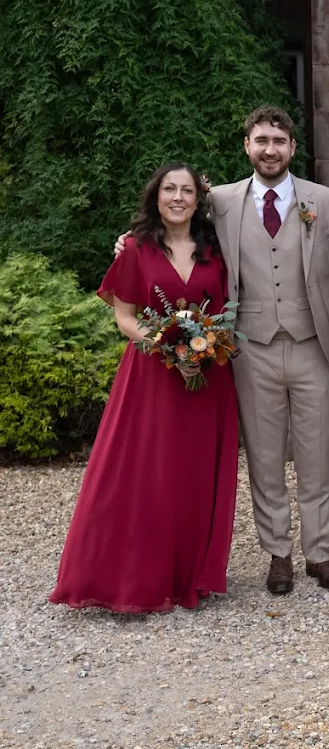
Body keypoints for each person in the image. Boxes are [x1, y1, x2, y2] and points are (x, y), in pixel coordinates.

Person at [114, 107, 329, 596]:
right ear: (247, 145)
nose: (270, 149)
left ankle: (320, 553)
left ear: (292, 147)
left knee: (316, 456)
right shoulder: (220, 201)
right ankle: (278, 554)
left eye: (280, 141)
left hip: (314, 346)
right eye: (261, 140)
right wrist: (129, 242)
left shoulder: (324, 201)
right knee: (264, 459)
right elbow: (173, 229)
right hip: (250, 348)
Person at [50, 164, 239, 612]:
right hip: (152, 375)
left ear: (199, 199)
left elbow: (230, 304)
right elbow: (126, 317)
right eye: (169, 189)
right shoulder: (135, 247)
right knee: (146, 473)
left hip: (208, 376)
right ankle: (135, 575)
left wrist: (200, 351)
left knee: (193, 474)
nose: (178, 198)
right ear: (155, 197)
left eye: (187, 190)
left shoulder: (216, 248)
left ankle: (187, 573)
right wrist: (169, 347)